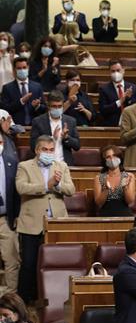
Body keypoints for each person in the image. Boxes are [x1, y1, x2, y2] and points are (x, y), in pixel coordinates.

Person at [16, 135, 75, 302]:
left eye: (51, 150)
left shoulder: (61, 166)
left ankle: (52, 299)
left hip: (56, 223)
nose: (48, 153)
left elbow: (71, 189)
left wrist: (57, 185)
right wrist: (45, 186)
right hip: (32, 223)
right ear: (37, 150)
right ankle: (25, 302)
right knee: (29, 264)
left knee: (54, 264)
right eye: (45, 149)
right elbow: (21, 187)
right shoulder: (24, 166)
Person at [29, 90, 80, 166]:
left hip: (65, 165)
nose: (57, 109)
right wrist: (52, 138)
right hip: (44, 165)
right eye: (54, 106)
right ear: (48, 105)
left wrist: (66, 138)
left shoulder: (71, 121)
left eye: (59, 106)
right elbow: (33, 146)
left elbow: (77, 146)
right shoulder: (38, 121)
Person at [0, 132, 20, 293]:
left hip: (5, 219)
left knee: (11, 260)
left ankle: (9, 301)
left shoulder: (11, 163)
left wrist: (17, 215)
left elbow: (17, 192)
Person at [1, 57, 45, 126]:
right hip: (15, 126)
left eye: (24, 67)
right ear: (14, 70)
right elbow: (5, 109)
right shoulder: (7, 88)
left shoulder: (37, 87)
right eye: (19, 68)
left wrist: (37, 106)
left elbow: (44, 108)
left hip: (34, 126)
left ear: (28, 68)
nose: (22, 70)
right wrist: (21, 101)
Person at [93, 145, 135, 217]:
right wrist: (106, 189)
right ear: (104, 160)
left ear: (119, 157)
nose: (112, 159)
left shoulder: (128, 176)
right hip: (105, 215)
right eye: (108, 157)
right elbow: (99, 203)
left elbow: (130, 201)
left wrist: (125, 188)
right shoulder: (99, 177)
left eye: (114, 156)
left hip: (124, 215)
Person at [98, 59, 136, 127]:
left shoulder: (133, 88)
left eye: (118, 70)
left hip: (130, 124)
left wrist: (128, 99)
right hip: (112, 126)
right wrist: (120, 101)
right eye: (113, 71)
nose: (116, 73)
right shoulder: (104, 89)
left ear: (123, 70)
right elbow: (103, 110)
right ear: (109, 73)